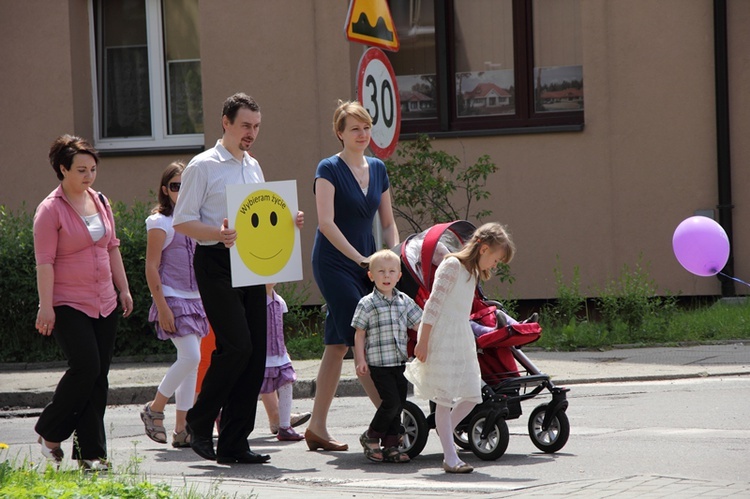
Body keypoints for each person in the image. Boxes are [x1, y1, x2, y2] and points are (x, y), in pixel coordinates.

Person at [173, 92, 304, 464]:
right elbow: (182, 220)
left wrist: (287, 223)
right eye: (246, 125)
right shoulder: (202, 166)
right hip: (215, 261)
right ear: (225, 123)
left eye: (257, 127)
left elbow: (259, 219)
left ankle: (234, 442)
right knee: (237, 346)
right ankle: (199, 420)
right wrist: (219, 233)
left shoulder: (253, 166)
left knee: (255, 355)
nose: (252, 133)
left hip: (250, 265)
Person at [33, 134, 133, 471]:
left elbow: (112, 246)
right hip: (68, 302)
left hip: (104, 300)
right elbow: (44, 262)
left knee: (98, 376)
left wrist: (124, 288)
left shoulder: (100, 200)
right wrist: (45, 306)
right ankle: (49, 432)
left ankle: (91, 455)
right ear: (62, 169)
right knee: (85, 367)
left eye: (92, 169)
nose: (88, 176)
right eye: (80, 170)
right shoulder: (50, 209)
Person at [307, 100, 399, 452]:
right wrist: (361, 258)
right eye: (355, 129)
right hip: (335, 262)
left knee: (336, 344)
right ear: (340, 133)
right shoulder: (328, 168)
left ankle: (316, 427)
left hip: (369, 264)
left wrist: (393, 257)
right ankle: (393, 419)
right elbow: (326, 223)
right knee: (359, 334)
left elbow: (389, 223)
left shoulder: (377, 168)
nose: (363, 134)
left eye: (367, 127)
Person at [405, 222, 516, 474]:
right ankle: (450, 457)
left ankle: (445, 433)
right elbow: (433, 304)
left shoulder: (472, 272)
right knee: (444, 399)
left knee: (471, 395)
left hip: (461, 335)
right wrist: (423, 341)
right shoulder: (452, 265)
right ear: (484, 248)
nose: (495, 266)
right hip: (442, 335)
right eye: (496, 260)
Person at [140, 162, 209, 448]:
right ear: (165, 190)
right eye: (175, 185)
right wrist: (163, 306)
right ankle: (154, 409)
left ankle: (182, 428)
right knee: (191, 357)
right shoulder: (160, 223)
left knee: (191, 364)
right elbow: (151, 267)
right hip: (172, 297)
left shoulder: (196, 220)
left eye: (185, 185)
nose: (181, 190)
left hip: (196, 299)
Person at [352, 249, 422, 463]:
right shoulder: (367, 303)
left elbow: (419, 324)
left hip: (400, 361)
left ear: (399, 276)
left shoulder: (404, 301)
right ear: (371, 276)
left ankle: (391, 445)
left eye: (392, 271)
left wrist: (427, 342)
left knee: (399, 403)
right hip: (378, 362)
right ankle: (371, 436)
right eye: (381, 271)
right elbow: (359, 333)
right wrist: (361, 360)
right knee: (390, 401)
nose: (386, 276)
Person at [260, 283, 310, 441]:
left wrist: (284, 350)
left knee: (287, 385)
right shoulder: (254, 302)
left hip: (280, 355)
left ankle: (285, 426)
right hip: (262, 356)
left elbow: (279, 329)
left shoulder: (280, 301)